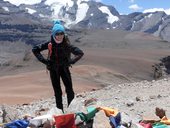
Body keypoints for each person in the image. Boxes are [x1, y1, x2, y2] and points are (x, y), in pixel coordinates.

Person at [32, 20, 84, 111]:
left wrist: (71, 62)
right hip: (53, 70)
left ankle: (71, 110)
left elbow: (80, 53)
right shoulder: (50, 44)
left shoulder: (66, 44)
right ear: (54, 34)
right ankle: (59, 111)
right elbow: (35, 49)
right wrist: (45, 61)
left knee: (69, 90)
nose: (60, 36)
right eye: (57, 34)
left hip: (64, 69)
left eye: (62, 33)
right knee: (57, 92)